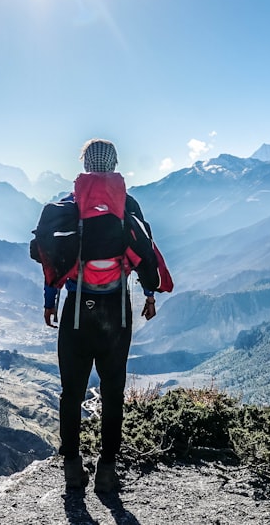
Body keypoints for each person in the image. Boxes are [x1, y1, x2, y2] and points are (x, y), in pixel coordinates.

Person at [30, 138, 172, 493]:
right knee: (112, 391)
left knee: (71, 392)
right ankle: (107, 471)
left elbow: (51, 259)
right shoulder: (128, 206)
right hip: (115, 313)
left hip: (76, 311)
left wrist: (50, 301)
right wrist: (150, 295)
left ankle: (72, 468)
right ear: (114, 164)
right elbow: (145, 255)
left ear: (85, 164)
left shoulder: (68, 204)